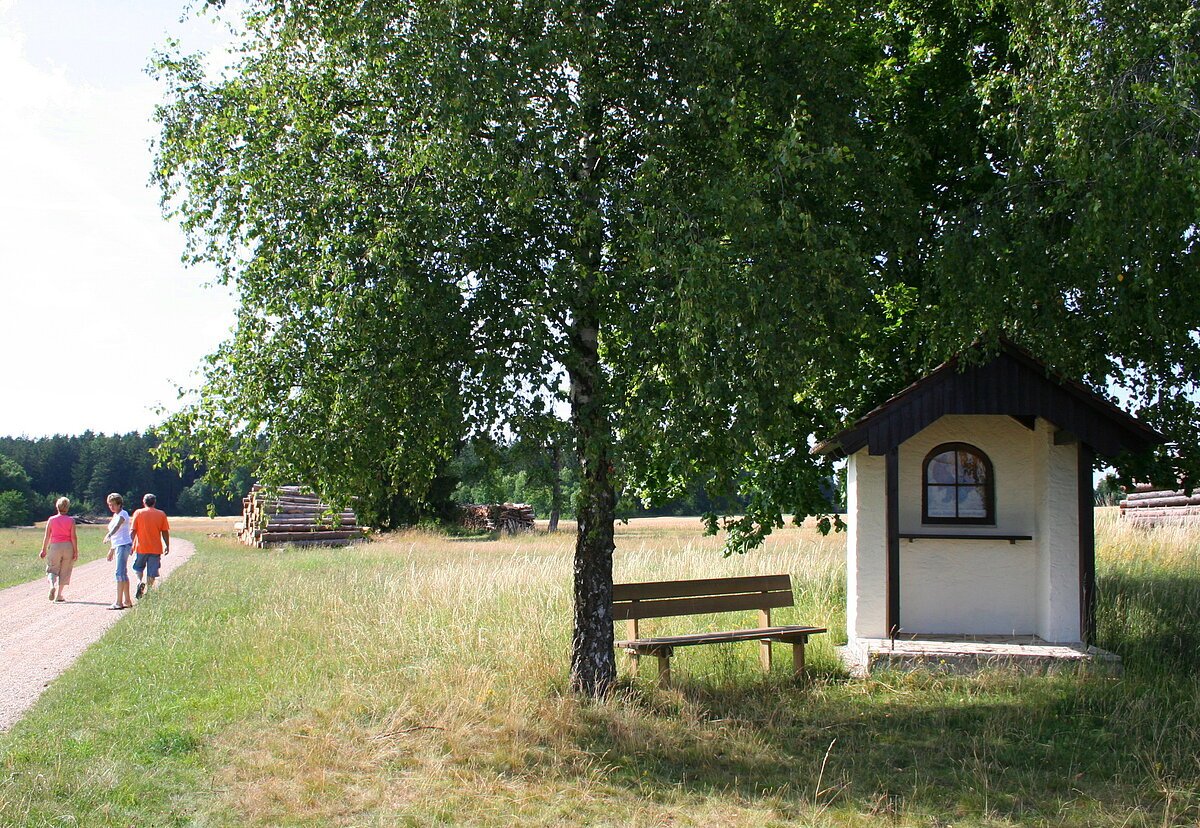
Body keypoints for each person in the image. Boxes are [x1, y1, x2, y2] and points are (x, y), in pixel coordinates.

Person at [130, 493, 170, 599]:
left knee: (138, 567)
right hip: (155, 548)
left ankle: (139, 582)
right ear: (154, 502)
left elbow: (133, 531)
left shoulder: (138, 513)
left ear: (144, 502)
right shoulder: (161, 514)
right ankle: (150, 590)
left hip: (141, 547)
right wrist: (167, 545)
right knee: (152, 570)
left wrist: (130, 545)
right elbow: (165, 531)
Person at [39, 496, 78, 603]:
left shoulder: (51, 520)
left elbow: (47, 536)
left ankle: (52, 585)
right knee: (65, 570)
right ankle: (59, 595)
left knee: (52, 568)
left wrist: (43, 550)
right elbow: (73, 537)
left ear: (57, 507)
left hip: (55, 546)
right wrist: (75, 551)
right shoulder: (71, 520)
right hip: (68, 546)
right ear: (68, 507)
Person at [102, 493, 134, 610]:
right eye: (109, 505)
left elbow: (117, 527)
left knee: (119, 573)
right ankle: (127, 600)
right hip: (119, 545)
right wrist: (111, 549)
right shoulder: (115, 515)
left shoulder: (123, 514)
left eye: (113, 505)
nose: (111, 507)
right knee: (123, 573)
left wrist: (109, 535)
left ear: (119, 504)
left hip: (123, 545)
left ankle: (118, 602)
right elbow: (117, 535)